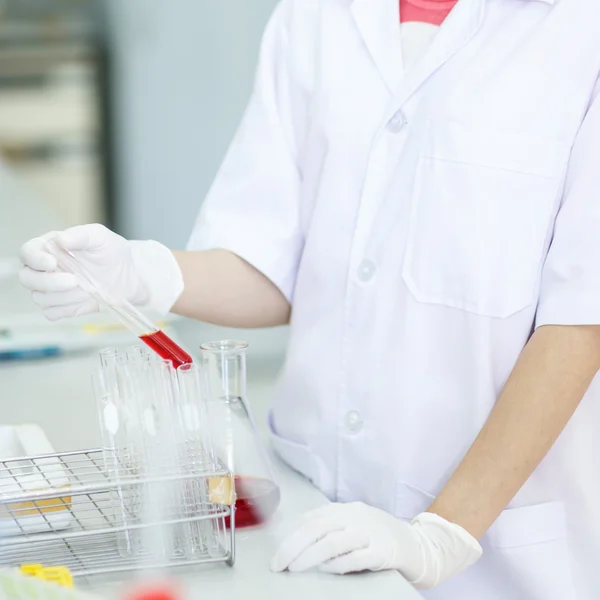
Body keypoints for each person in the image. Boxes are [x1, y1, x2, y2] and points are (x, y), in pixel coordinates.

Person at [18, 0, 600, 597]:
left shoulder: (581, 29)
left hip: (496, 556)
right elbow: (272, 270)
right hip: (312, 515)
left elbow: (579, 325)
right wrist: (144, 271)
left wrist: (442, 533)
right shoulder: (314, 15)